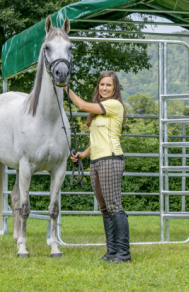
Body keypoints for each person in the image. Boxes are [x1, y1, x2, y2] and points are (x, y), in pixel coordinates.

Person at [66, 70, 131, 263]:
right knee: (104, 208)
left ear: (115, 88)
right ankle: (112, 252)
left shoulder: (114, 105)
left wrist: (65, 87)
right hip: (96, 162)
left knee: (114, 206)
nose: (104, 88)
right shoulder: (99, 112)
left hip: (111, 159)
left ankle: (124, 253)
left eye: (108, 85)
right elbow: (97, 140)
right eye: (102, 85)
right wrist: (83, 155)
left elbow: (81, 104)